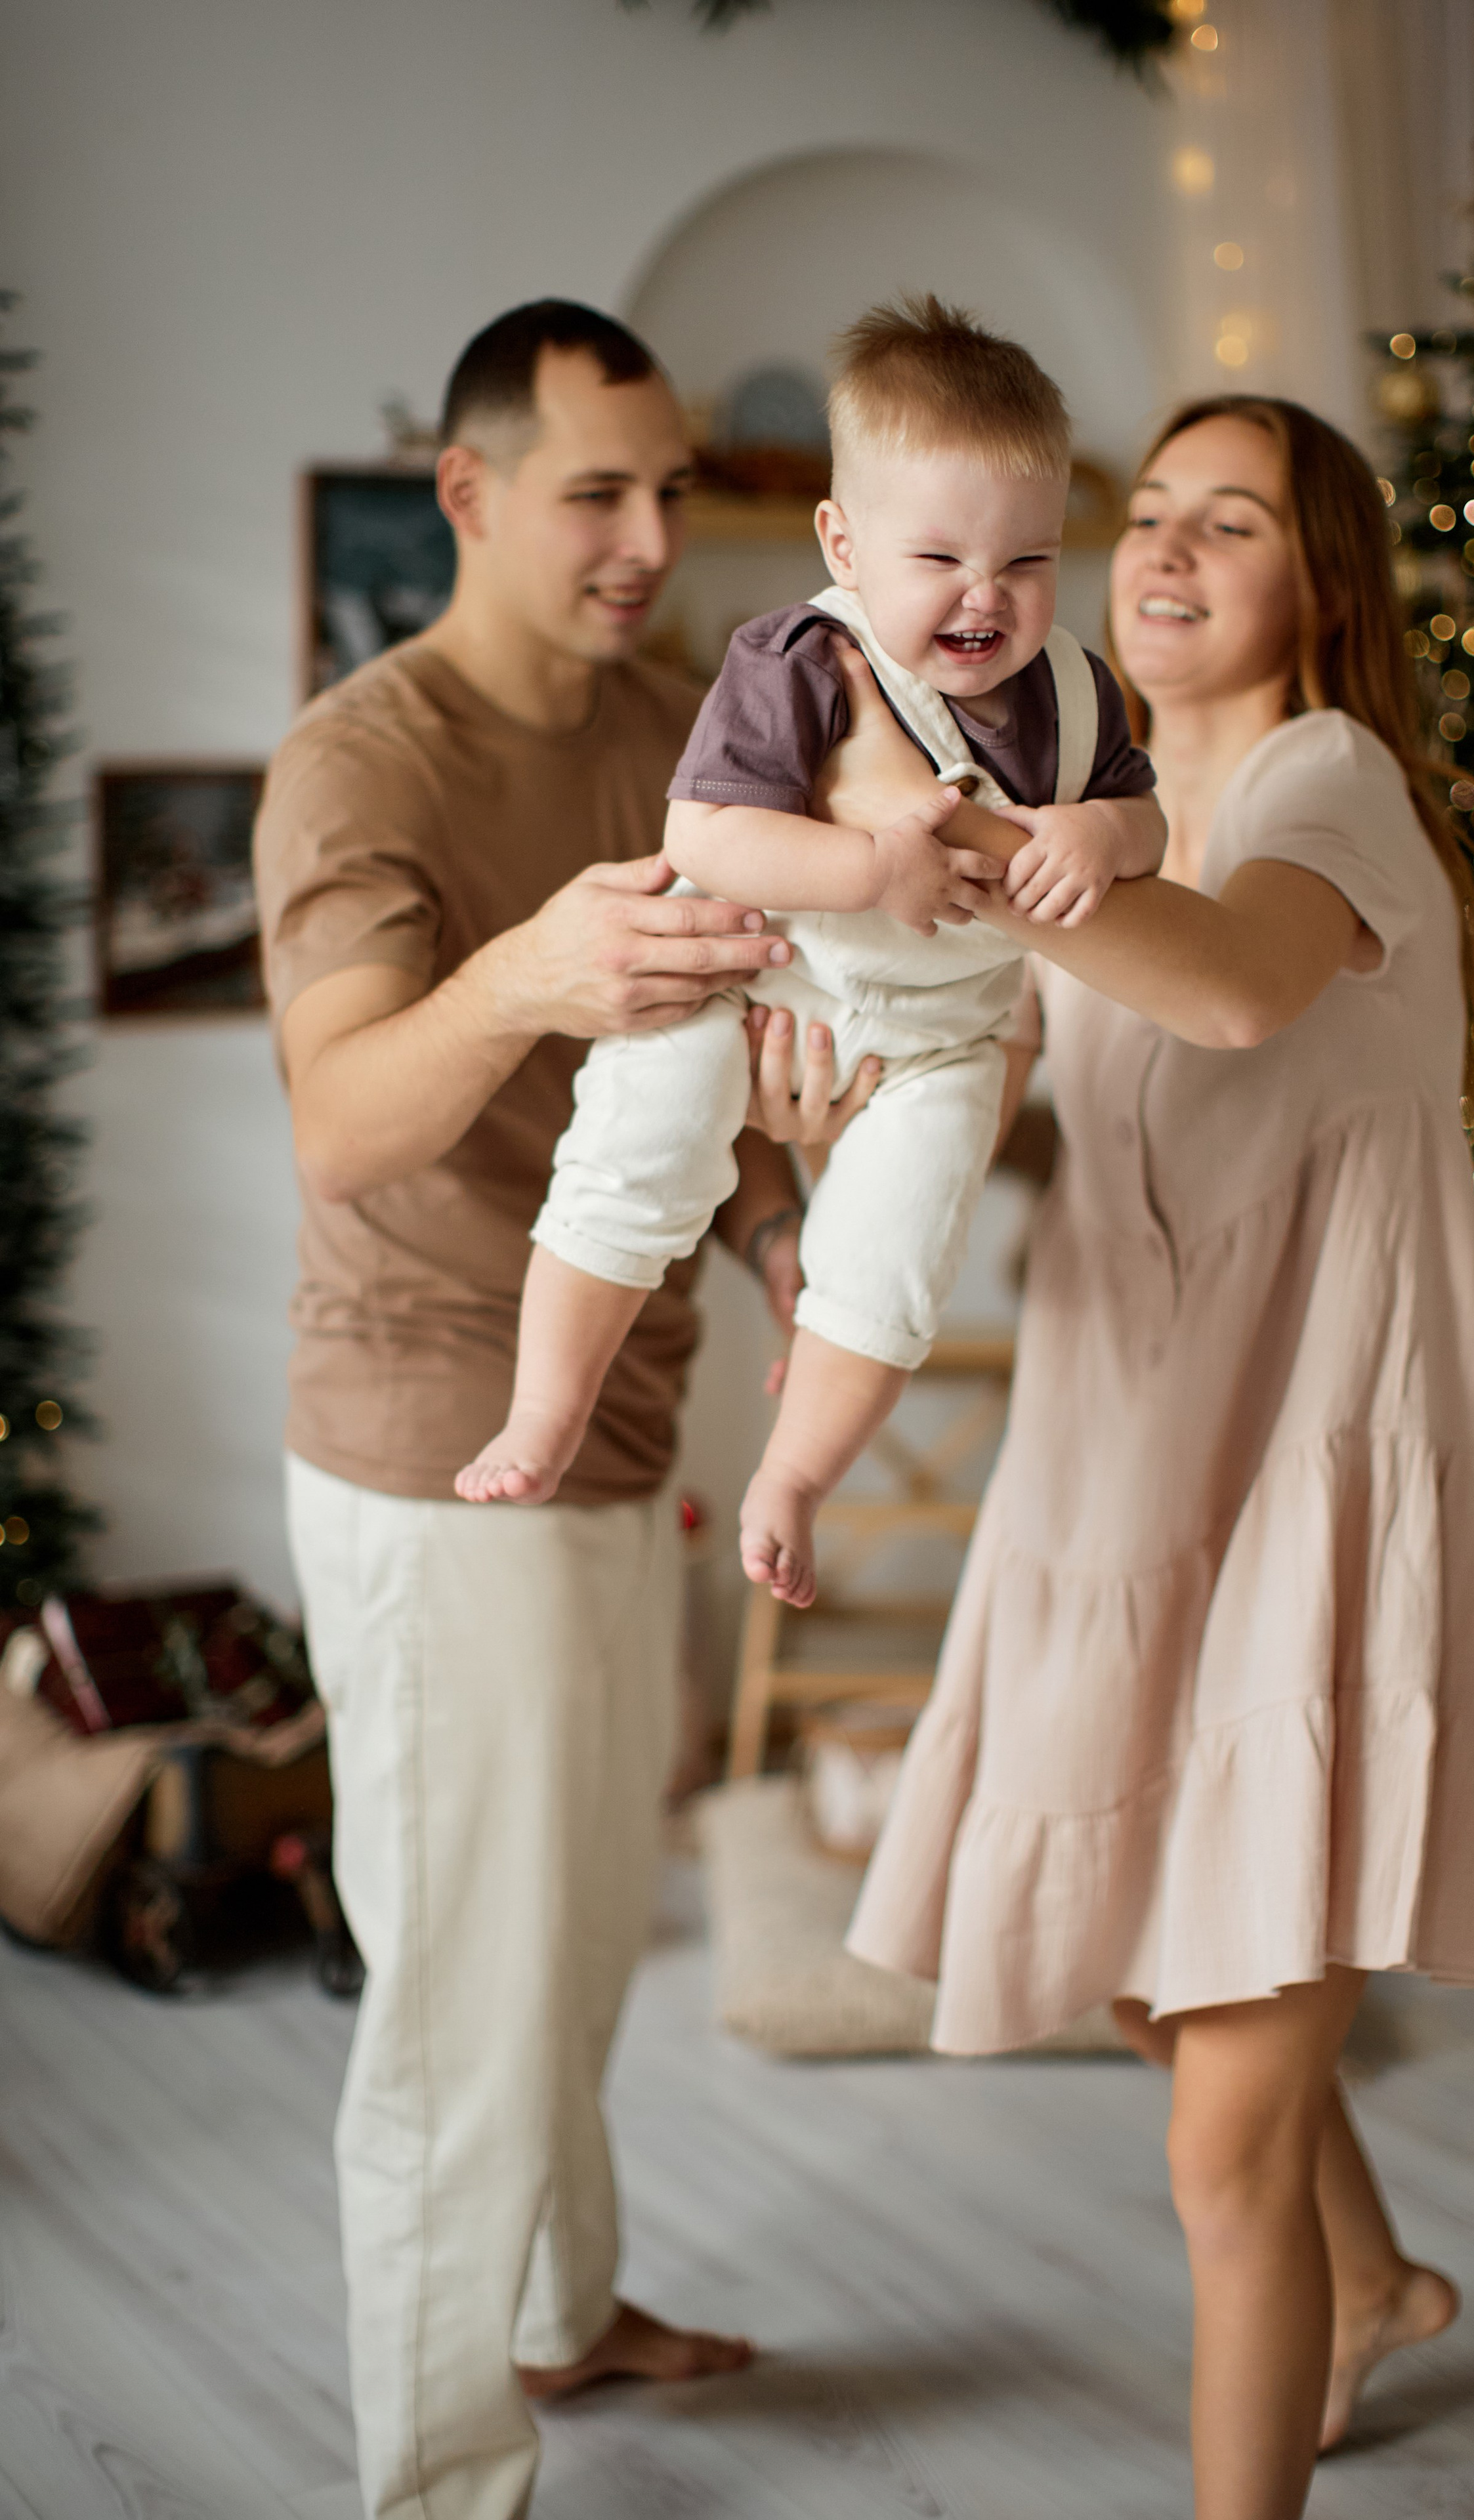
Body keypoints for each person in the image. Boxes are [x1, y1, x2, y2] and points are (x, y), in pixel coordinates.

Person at [831, 396, 1474, 2520]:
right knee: (1148, 1970)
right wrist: (836, 1147)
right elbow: (1085, 1110)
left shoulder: (1330, 782)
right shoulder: (1117, 794)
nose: (1166, 550)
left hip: (1295, 1477)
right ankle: (1384, 2279)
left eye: (1231, 521)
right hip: (1130, 1460)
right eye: (1148, 516)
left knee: (1216, 2141)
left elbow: (1227, 997)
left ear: (1318, 582)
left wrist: (956, 844)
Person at [255, 299, 871, 2520]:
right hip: (433, 1446)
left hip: (624, 1427)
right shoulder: (363, 762)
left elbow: (724, 1084)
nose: (641, 539)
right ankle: (439, 2481)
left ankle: (561, 2316)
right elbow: (342, 1123)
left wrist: (795, 1235)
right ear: (473, 493)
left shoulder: (675, 732)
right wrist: (525, 971)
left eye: (670, 489)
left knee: (586, 1936)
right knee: (460, 2009)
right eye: (596, 491)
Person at [457, 299, 1164, 1615]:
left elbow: (1148, 818)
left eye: (1026, 560)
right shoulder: (798, 661)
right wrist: (864, 869)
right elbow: (704, 834)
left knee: (895, 1254)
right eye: (939, 555)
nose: (984, 595)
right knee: (635, 1152)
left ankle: (792, 1477)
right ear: (842, 541)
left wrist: (1100, 829)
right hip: (751, 982)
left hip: (939, 1046)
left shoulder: (1078, 691)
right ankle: (546, 1411)